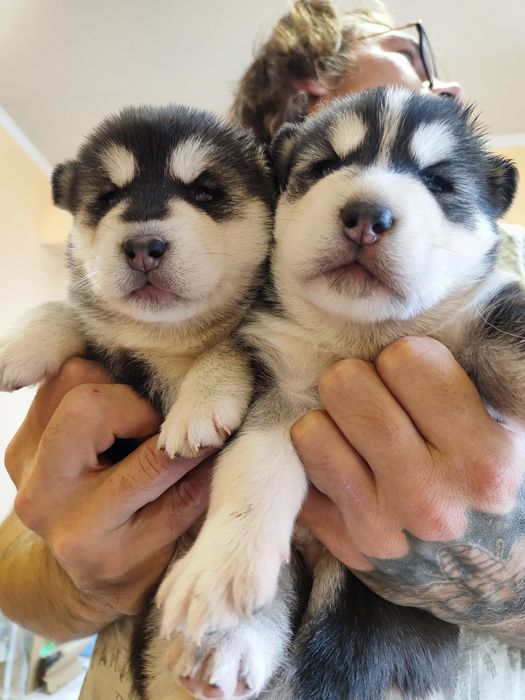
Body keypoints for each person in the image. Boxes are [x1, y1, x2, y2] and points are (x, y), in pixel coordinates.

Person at [1, 2, 524, 698]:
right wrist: (76, 576)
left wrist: (509, 582)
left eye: (440, 178)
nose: (447, 89)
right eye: (412, 54)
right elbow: (16, 573)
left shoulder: (481, 273)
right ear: (305, 91)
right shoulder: (218, 298)